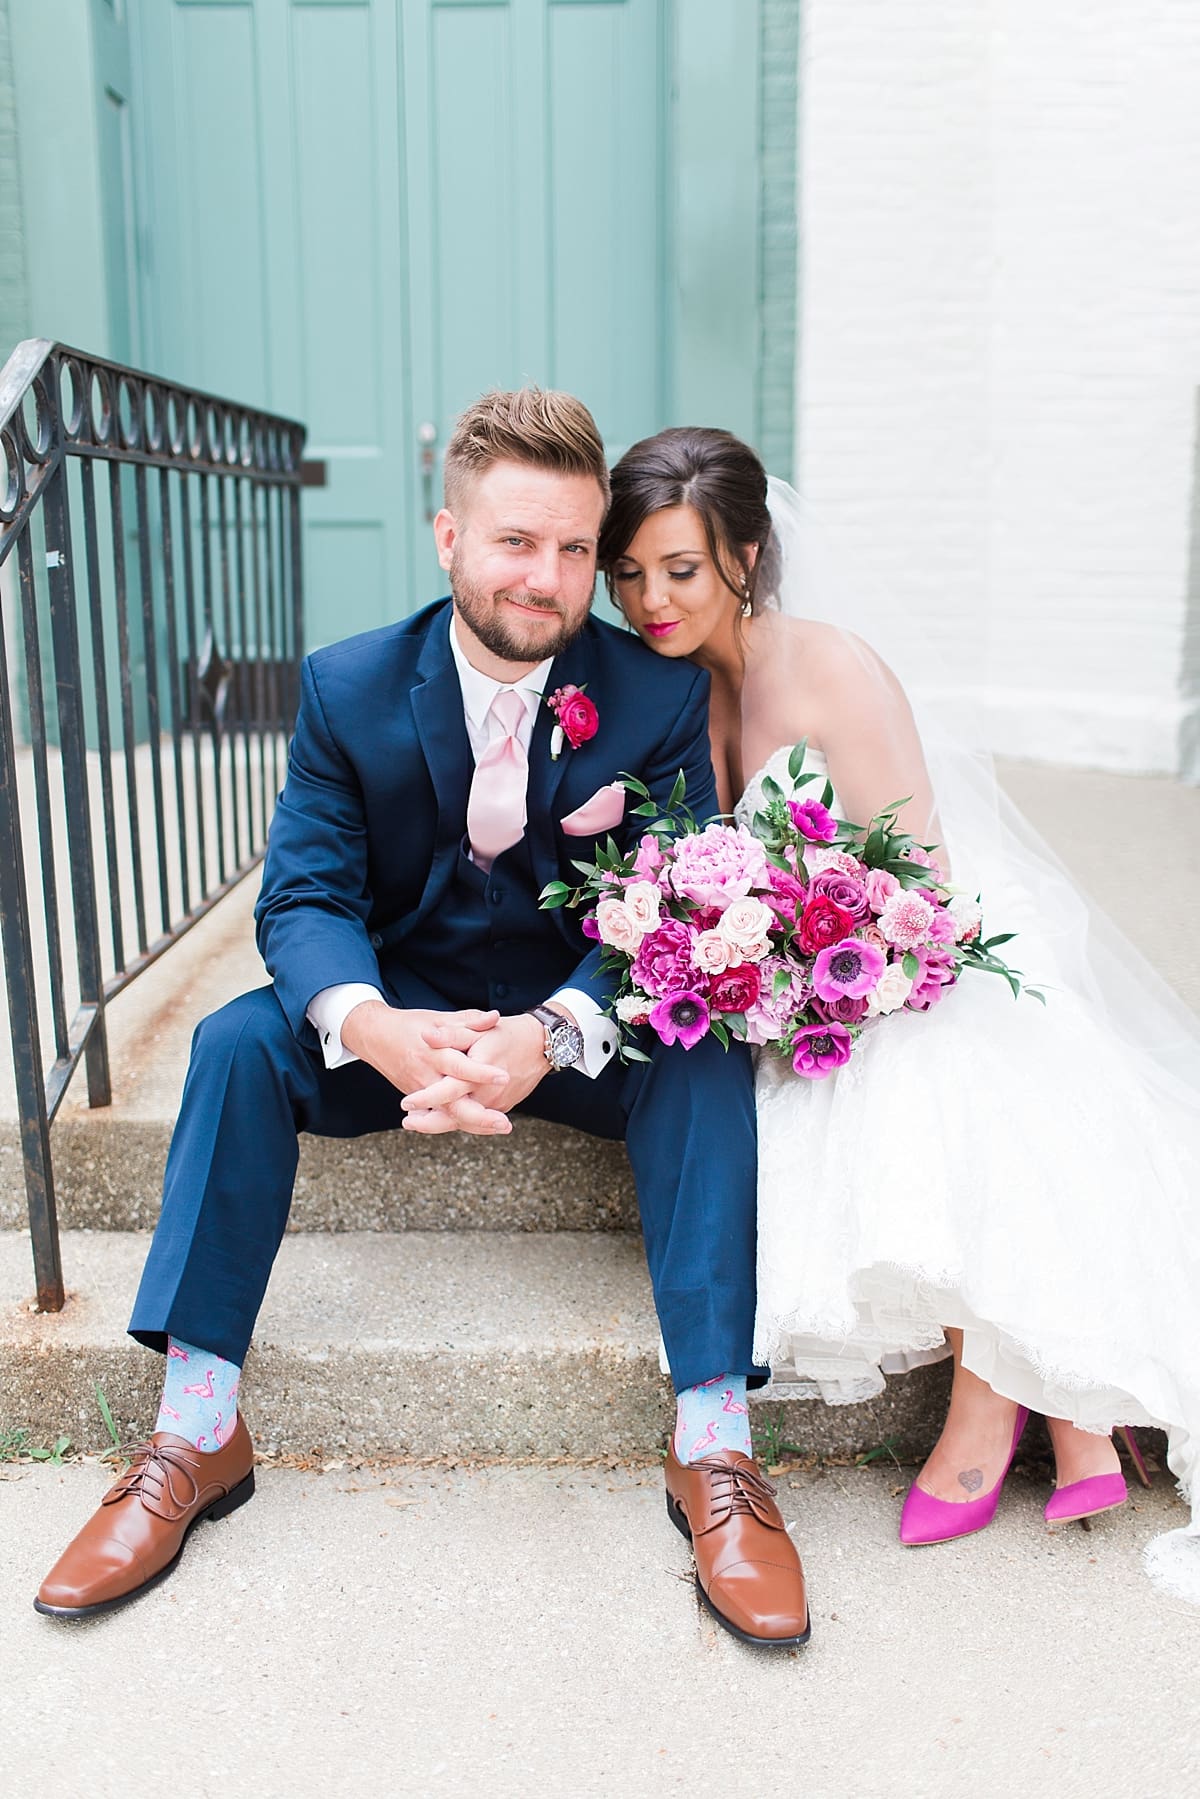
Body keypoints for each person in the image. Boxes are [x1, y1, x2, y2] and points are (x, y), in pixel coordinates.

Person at [34, 391, 809, 1648]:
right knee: (234, 1041)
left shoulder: (651, 696)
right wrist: (378, 1025)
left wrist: (550, 1030)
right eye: (516, 540)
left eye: (573, 547)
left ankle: (714, 1442)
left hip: (562, 1030)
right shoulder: (348, 684)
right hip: (407, 1017)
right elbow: (304, 894)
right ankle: (195, 1425)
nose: (548, 576)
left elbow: (671, 900)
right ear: (448, 535)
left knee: (704, 1043)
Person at [597, 424, 1200, 1599]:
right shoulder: (659, 686)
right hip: (785, 974)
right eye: (631, 572)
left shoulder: (831, 669)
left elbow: (919, 886)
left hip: (918, 939)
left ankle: (995, 1399)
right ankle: (1063, 1406)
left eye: (681, 567)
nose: (652, 598)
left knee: (944, 1067)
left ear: (747, 553)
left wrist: (812, 948)